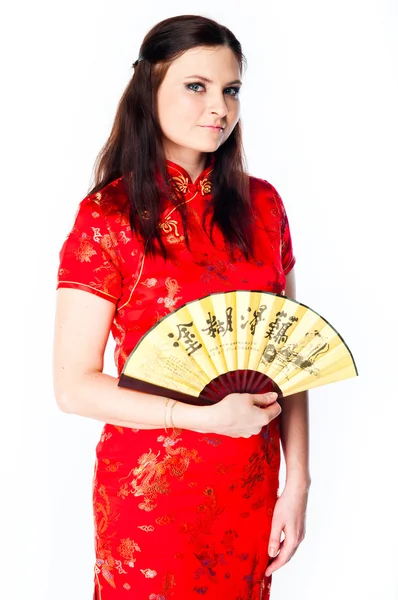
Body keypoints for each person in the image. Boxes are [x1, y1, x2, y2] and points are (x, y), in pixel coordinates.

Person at [53, 14, 310, 600]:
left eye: (230, 89)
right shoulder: (109, 216)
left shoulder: (263, 207)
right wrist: (203, 419)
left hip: (251, 487)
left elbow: (291, 360)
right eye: (196, 86)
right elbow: (73, 387)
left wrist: (297, 487)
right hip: (153, 498)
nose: (218, 106)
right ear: (150, 90)